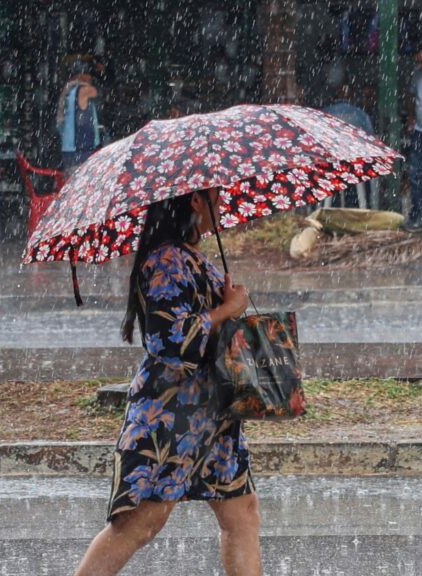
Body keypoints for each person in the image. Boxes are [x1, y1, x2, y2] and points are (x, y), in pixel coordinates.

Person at [74, 188, 260, 576]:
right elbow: (168, 339)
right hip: (170, 417)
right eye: (216, 196)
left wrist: (228, 305)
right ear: (195, 202)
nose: (223, 203)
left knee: (242, 513)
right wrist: (227, 308)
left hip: (212, 414)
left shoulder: (191, 257)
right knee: (138, 525)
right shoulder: (164, 261)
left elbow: (206, 328)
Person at [322, 84, 375, 208]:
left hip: (330, 165)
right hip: (355, 165)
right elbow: (371, 139)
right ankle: (357, 207)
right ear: (351, 96)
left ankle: (331, 208)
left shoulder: (324, 113)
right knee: (361, 182)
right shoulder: (361, 114)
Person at [56, 66, 102, 173]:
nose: (91, 78)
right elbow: (97, 92)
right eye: (89, 75)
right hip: (81, 151)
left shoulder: (68, 91)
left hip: (69, 149)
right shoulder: (83, 90)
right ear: (82, 76)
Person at [407, 49, 422, 229]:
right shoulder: (417, 75)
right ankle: (418, 213)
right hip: (420, 130)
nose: (420, 66)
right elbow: (411, 97)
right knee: (415, 174)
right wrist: (411, 117)